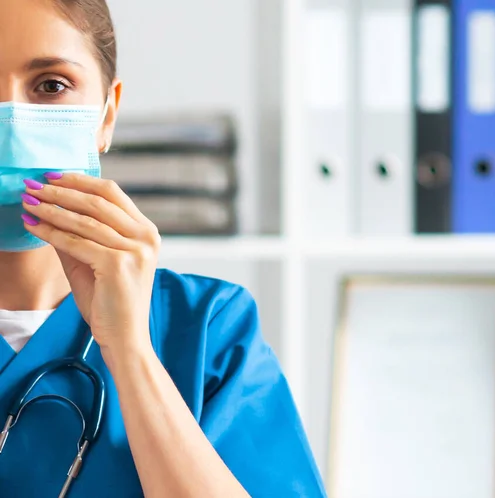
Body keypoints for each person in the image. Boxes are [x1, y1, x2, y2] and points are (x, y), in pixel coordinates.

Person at [0, 0, 326, 496]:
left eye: (51, 86)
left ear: (106, 115)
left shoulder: (208, 331)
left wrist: (129, 350)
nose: (12, 125)